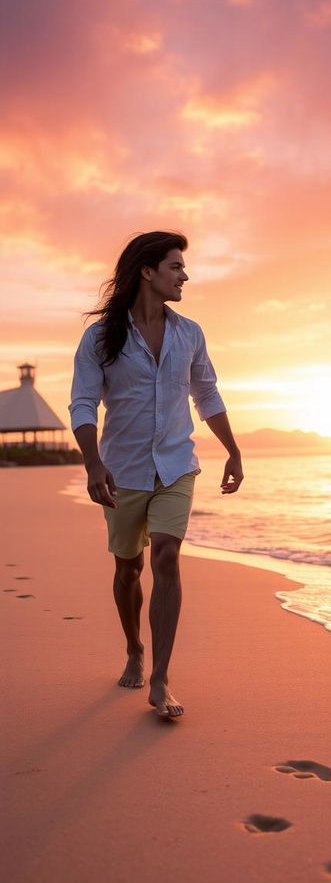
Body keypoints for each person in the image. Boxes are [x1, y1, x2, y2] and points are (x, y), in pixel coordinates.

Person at [69, 231, 243, 719]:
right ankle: (134, 648)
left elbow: (206, 395)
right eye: (175, 266)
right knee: (129, 568)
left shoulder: (189, 332)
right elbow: (82, 402)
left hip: (176, 466)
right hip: (121, 471)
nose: (184, 275)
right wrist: (92, 462)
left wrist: (233, 450)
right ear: (147, 271)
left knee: (167, 556)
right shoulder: (102, 336)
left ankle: (162, 679)